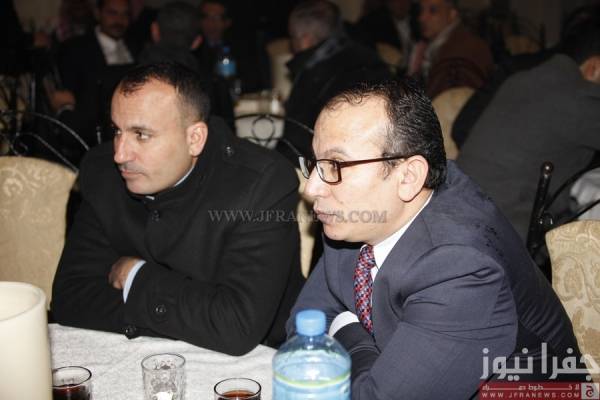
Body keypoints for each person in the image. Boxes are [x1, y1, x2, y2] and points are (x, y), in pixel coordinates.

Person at [287, 78, 586, 399]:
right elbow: (302, 325)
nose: (312, 188)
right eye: (316, 163)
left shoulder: (462, 268)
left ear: (409, 177)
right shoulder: (362, 215)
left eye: (335, 164)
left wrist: (346, 326)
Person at [52, 62, 305, 355]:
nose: (120, 154)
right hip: (137, 355)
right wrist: (191, 319)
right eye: (117, 131)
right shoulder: (102, 171)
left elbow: (236, 325)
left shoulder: (260, 183)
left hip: (257, 362)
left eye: (141, 135)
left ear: (194, 139)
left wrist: (136, 275)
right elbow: (70, 298)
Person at [456, 12, 600, 241]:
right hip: (505, 236)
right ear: (595, 67)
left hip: (456, 212)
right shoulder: (579, 98)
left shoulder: (525, 78)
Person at [277, 0, 391, 163]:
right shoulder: (371, 59)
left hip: (325, 164)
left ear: (305, 40)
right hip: (381, 155)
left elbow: (294, 143)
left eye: (293, 38)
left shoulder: (313, 74)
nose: (291, 45)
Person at [57, 0, 141, 147]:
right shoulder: (74, 49)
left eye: (125, 14)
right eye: (112, 13)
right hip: (95, 135)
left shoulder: (139, 46)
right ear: (98, 13)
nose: (119, 20)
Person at [138, 1, 234, 128]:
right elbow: (226, 133)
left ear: (154, 30)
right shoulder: (214, 85)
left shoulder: (128, 81)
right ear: (197, 41)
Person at [409, 0, 494, 99]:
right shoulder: (426, 47)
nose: (422, 18)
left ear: (452, 13)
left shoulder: (465, 50)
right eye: (421, 11)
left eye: (433, 11)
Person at [355, 0, 421, 72]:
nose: (402, 3)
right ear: (388, 3)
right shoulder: (375, 22)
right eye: (396, 1)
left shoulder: (419, 17)